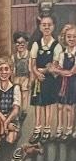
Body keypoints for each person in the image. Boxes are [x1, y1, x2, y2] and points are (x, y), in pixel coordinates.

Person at [28, 14, 62, 143]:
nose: (46, 27)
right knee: (38, 104)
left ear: (53, 26)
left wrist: (45, 70)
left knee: (48, 104)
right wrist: (37, 73)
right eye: (44, 25)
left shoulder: (57, 46)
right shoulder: (36, 44)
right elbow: (33, 63)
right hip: (38, 79)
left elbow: (54, 65)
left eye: (49, 25)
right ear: (40, 27)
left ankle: (47, 130)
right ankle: (37, 130)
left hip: (50, 80)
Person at [0, 56, 22, 161]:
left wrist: (8, 122)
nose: (4, 72)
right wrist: (4, 121)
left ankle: (9, 133)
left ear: (11, 71)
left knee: (10, 140)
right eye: (1, 69)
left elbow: (16, 109)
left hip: (11, 118)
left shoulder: (15, 88)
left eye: (6, 69)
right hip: (0, 118)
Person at [52, 24, 76, 140]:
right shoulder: (62, 54)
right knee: (60, 106)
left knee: (69, 107)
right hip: (62, 83)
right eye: (69, 36)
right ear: (64, 38)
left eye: (74, 37)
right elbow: (56, 69)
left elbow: (71, 72)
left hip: (73, 83)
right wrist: (57, 69)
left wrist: (57, 70)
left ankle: (69, 129)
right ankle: (59, 128)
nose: (71, 39)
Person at [12, 31, 31, 121]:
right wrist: (13, 81)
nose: (20, 45)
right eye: (18, 43)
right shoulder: (14, 56)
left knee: (24, 93)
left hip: (25, 77)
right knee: (16, 92)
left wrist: (30, 81)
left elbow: (30, 70)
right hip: (17, 77)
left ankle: (24, 111)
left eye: (22, 43)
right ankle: (17, 111)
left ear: (26, 43)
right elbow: (13, 71)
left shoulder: (29, 55)